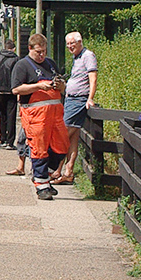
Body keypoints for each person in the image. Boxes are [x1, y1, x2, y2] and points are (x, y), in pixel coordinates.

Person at [10, 33, 68, 200]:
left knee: (62, 146)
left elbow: (62, 89)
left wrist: (60, 85)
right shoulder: (22, 65)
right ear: (30, 48)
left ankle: (44, 176)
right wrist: (38, 86)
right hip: (35, 115)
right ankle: (42, 186)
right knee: (39, 148)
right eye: (38, 52)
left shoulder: (50, 64)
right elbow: (15, 89)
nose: (42, 55)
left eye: (44, 51)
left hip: (55, 113)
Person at [55, 32, 97, 183]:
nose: (69, 46)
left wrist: (90, 98)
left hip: (78, 100)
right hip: (71, 99)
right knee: (72, 138)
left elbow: (93, 78)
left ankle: (56, 170)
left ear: (80, 42)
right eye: (67, 44)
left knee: (63, 136)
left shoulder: (88, 56)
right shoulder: (76, 57)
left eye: (72, 43)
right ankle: (68, 172)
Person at [0, 38, 20, 150]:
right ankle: (10, 142)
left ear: (5, 47)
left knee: (2, 116)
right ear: (13, 48)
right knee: (11, 116)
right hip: (12, 91)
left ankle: (2, 139)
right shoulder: (16, 59)